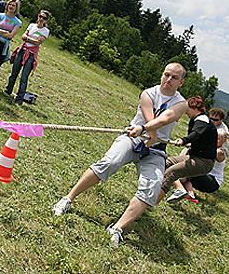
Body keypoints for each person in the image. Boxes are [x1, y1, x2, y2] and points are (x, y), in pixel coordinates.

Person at [53, 63, 188, 246]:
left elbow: (166, 118)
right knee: (109, 162)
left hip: (156, 150)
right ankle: (67, 199)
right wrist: (149, 132)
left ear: (181, 82)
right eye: (166, 75)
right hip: (132, 139)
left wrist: (149, 133)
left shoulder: (181, 103)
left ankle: (117, 228)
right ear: (162, 74)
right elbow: (151, 118)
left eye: (174, 78)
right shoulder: (148, 93)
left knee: (152, 186)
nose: (169, 80)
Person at [155, 96, 218, 205]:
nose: (185, 112)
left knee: (171, 172)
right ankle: (162, 189)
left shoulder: (202, 120)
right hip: (194, 157)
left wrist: (184, 141)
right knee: (166, 163)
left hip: (204, 162)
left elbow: (196, 134)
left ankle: (151, 203)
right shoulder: (197, 119)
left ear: (194, 108)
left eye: (187, 108)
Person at [167, 129, 228, 203]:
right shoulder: (208, 147)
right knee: (181, 168)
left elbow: (215, 153)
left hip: (212, 182)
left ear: (223, 141)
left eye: (217, 139)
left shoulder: (220, 152)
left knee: (181, 170)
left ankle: (179, 188)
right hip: (202, 175)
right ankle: (190, 194)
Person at [5, 10, 50, 106]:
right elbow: (23, 36)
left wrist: (28, 38)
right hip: (22, 51)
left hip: (31, 54)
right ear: (38, 16)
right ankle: (8, 90)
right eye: (40, 16)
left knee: (24, 78)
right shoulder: (31, 25)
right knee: (14, 73)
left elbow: (38, 42)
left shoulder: (45, 31)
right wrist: (31, 39)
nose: (41, 19)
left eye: (44, 18)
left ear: (46, 20)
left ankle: (19, 100)